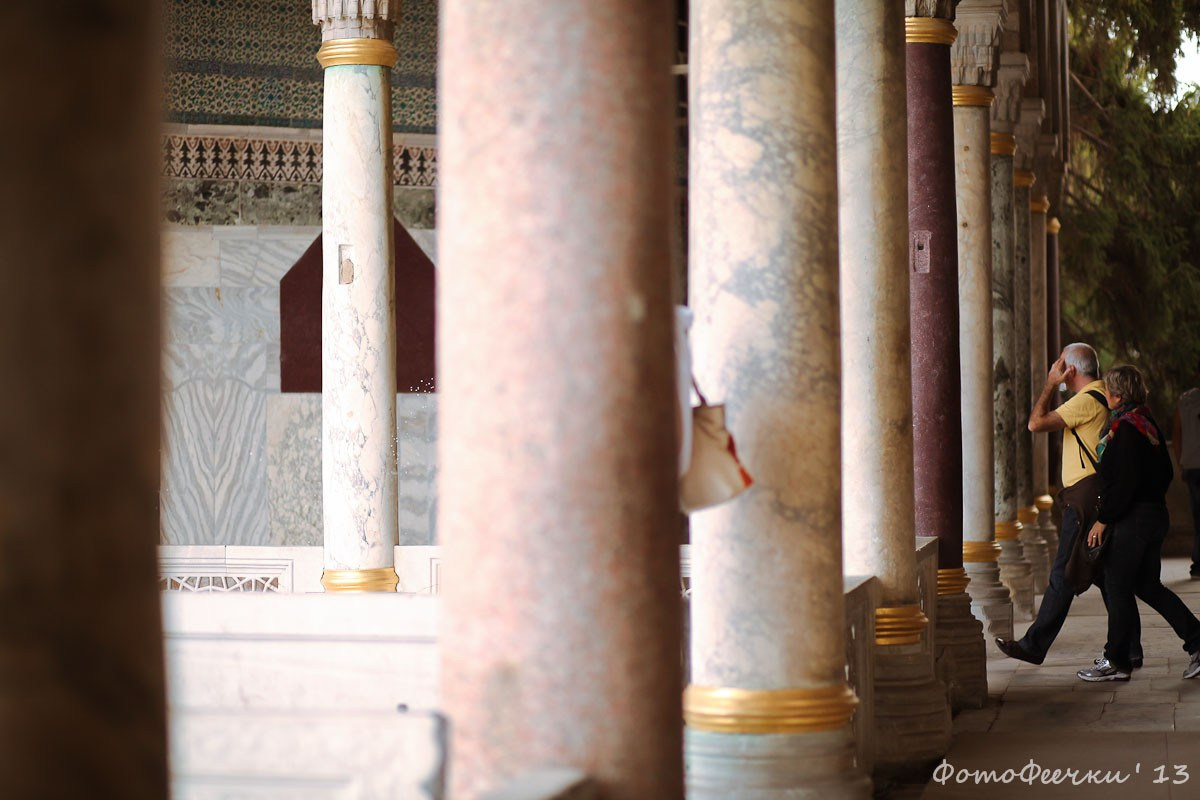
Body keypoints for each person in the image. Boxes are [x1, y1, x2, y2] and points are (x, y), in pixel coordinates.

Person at [996, 343, 1143, 665]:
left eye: (1060, 365)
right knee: (1106, 574)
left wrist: (1050, 383)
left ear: (1070, 370)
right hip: (1095, 493)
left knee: (1064, 571)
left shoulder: (1086, 399)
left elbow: (1035, 424)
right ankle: (1131, 648)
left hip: (1084, 497)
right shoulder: (1105, 394)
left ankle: (1034, 645)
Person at [1077, 365, 1200, 681]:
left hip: (1133, 520)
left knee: (1117, 585)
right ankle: (1197, 640)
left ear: (1117, 395)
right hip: (1153, 515)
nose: (1105, 395)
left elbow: (1124, 483)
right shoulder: (1147, 424)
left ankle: (1116, 659)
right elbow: (1165, 475)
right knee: (1146, 585)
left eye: (1108, 391)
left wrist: (1104, 519)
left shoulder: (1127, 430)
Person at [1172, 364, 1200, 579]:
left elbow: (1177, 434)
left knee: (1197, 516)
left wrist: (1181, 463)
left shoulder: (1185, 400)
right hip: (1192, 465)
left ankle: (1198, 563)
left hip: (1191, 464)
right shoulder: (1186, 400)